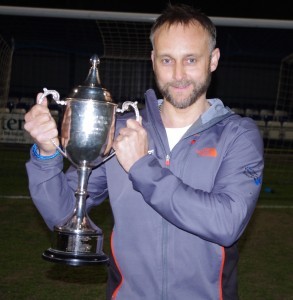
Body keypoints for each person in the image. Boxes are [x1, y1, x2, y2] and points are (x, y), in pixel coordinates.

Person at [24, 3, 264, 300]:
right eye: (166, 60)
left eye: (190, 59)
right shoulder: (122, 129)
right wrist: (47, 154)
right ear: (153, 60)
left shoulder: (237, 134)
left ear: (213, 60)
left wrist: (142, 166)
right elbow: (63, 214)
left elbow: (226, 223)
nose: (178, 74)